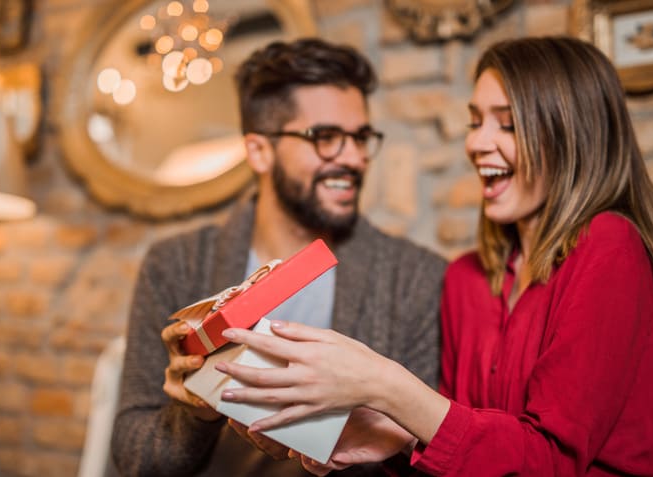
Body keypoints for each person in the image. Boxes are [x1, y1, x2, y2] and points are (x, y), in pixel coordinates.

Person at [213, 36, 653, 476]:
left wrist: (385, 385)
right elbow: (470, 448)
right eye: (475, 122)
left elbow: (551, 462)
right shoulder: (466, 280)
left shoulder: (610, 246)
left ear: (573, 137)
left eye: (506, 124)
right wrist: (398, 438)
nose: (476, 143)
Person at [110, 38, 447, 477]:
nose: (354, 158)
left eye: (361, 137)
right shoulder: (176, 264)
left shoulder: (416, 277)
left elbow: (431, 457)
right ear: (259, 151)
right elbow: (136, 458)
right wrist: (193, 411)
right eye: (325, 137)